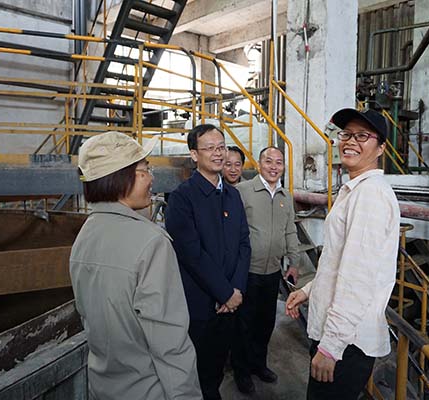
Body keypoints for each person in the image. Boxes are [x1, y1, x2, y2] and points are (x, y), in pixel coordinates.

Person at [70, 131, 201, 400]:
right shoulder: (152, 243)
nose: (152, 178)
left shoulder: (85, 236)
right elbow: (169, 342)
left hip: (102, 387)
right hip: (148, 390)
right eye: (145, 170)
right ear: (121, 178)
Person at [285, 108, 400, 400]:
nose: (350, 141)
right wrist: (309, 290)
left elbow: (357, 280)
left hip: (346, 344)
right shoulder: (356, 190)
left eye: (362, 136)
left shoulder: (370, 195)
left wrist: (330, 348)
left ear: (381, 148)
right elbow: (340, 264)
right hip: (341, 339)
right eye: (346, 134)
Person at [165, 124, 251, 400]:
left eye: (221, 147)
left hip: (231, 302)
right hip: (201, 305)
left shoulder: (233, 196)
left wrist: (237, 290)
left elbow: (244, 244)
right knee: (197, 373)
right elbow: (191, 254)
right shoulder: (182, 198)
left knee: (216, 367)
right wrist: (225, 292)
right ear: (194, 155)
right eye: (210, 148)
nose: (218, 153)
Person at [230, 146, 300, 394]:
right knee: (243, 325)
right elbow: (232, 231)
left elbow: (290, 230)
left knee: (265, 322)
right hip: (247, 271)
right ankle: (241, 372)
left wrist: (294, 261)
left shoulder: (285, 196)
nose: (273, 167)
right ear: (259, 164)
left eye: (279, 162)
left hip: (272, 272)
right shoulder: (243, 191)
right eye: (268, 161)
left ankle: (258, 365)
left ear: (283, 167)